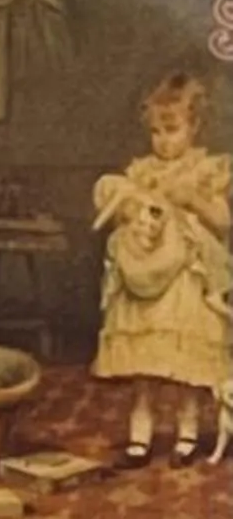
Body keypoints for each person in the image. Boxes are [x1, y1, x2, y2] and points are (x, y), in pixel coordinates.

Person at [92, 69, 232, 465]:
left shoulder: (206, 171)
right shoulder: (142, 172)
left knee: (183, 365)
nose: (163, 141)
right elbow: (123, 217)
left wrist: (192, 198)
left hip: (186, 279)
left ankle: (187, 431)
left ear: (195, 126)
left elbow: (222, 222)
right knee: (145, 365)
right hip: (146, 275)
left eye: (172, 130)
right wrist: (128, 203)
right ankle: (142, 431)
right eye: (156, 132)